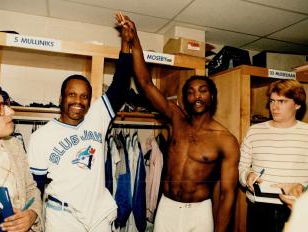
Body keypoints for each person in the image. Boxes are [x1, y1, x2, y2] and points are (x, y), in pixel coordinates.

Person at [115, 14, 240, 232]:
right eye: (190, 92)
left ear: (212, 97)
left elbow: (228, 194)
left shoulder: (226, 140)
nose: (197, 96)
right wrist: (134, 39)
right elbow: (145, 83)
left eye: (202, 91)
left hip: (199, 211)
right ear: (184, 100)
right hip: (168, 206)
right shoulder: (175, 118)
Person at [27, 13, 133, 232]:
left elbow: (121, 86)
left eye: (84, 96)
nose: (78, 101)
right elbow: (35, 187)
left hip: (98, 215)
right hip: (63, 218)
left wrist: (125, 44)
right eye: (72, 95)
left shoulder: (97, 117)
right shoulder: (41, 137)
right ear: (61, 99)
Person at [239, 79, 308, 232]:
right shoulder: (254, 131)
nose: (274, 107)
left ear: (297, 104)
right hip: (258, 209)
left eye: (282, 101)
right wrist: (247, 175)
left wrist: (302, 187)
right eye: (272, 101)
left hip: (295, 209)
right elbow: (241, 166)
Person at [0, 79, 42, 232]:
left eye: (6, 104)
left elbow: (31, 189)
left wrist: (32, 215)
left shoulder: (14, 145)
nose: (11, 111)